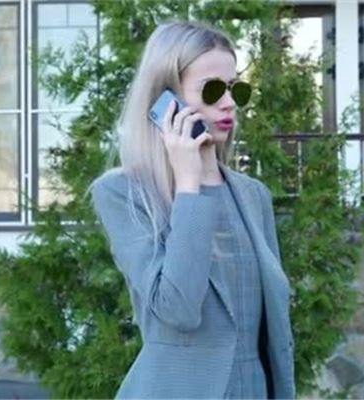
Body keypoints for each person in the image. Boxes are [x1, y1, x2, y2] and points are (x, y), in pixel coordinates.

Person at [90, 20, 295, 399]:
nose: (229, 103)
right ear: (165, 101)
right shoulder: (123, 193)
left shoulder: (254, 196)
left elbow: (272, 331)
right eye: (213, 90)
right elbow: (178, 310)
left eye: (236, 88)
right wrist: (189, 184)